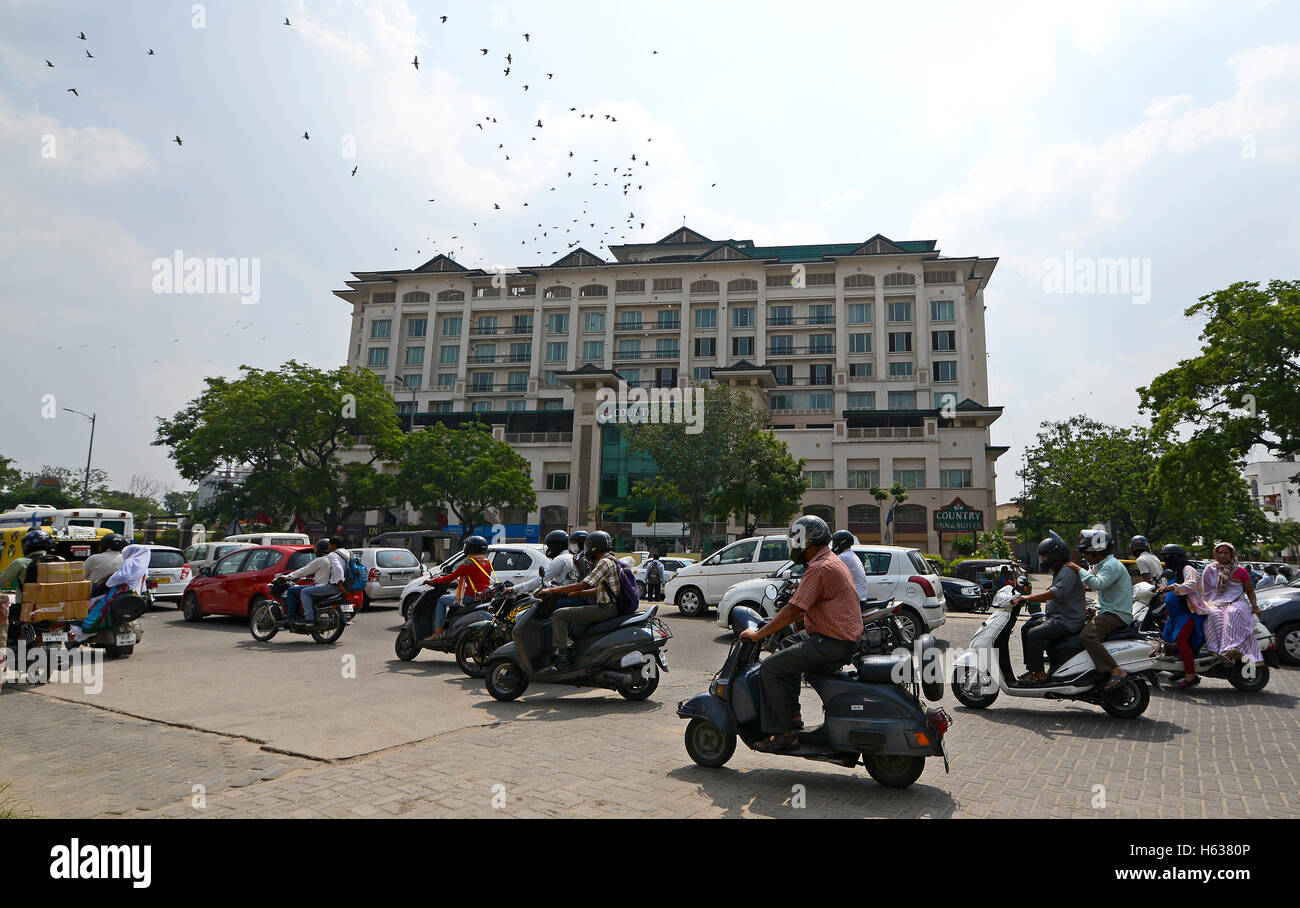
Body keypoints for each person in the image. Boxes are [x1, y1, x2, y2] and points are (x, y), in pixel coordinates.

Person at [739, 515, 863, 753]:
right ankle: (793, 716)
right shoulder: (830, 560)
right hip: (836, 638)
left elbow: (793, 611)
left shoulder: (819, 567)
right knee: (787, 645)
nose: (794, 546)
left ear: (807, 542)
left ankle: (784, 733)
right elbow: (800, 609)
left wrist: (759, 634)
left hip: (831, 643)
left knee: (770, 668)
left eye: (797, 541)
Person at [536, 530, 622, 669]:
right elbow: (603, 589)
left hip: (606, 608)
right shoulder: (612, 560)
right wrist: (579, 594)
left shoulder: (604, 562)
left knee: (560, 614)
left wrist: (551, 590)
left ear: (594, 547)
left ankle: (563, 657)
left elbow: (584, 583)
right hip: (611, 606)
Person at [1013, 533, 1087, 683]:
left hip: (1067, 620)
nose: (1043, 560)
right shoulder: (1060, 570)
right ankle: (1033, 669)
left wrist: (1028, 598)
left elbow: (1056, 592)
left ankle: (1039, 674)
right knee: (1027, 627)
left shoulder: (1067, 571)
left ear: (1055, 554)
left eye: (1045, 556)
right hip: (1057, 617)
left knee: (1034, 634)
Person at [1067, 528, 1133, 689]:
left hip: (1116, 614)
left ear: (1097, 552)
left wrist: (1077, 569)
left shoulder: (1111, 565)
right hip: (1108, 610)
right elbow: (1095, 585)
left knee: (1088, 636)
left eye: (1087, 553)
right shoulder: (1102, 565)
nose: (1085, 557)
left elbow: (1097, 584)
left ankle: (1115, 670)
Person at [1198, 541, 1263, 668]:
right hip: (1214, 601)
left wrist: (1255, 606)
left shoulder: (1241, 571)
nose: (1222, 555)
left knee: (1233, 613)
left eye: (1226, 553)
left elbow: (1249, 591)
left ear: (1232, 554)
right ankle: (1216, 650)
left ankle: (1230, 650)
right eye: (1220, 553)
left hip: (1236, 601)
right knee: (1212, 614)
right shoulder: (1210, 569)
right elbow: (1205, 590)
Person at [1152, 543, 1206, 690]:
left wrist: (1171, 587)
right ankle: (1179, 669)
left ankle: (1190, 675)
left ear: (1177, 557)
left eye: (1169, 556)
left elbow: (1191, 584)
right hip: (1175, 615)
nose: (1166, 559)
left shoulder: (1188, 569)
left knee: (1181, 640)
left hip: (1188, 613)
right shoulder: (1175, 571)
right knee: (1167, 640)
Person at [420, 535, 493, 640]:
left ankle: (438, 632)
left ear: (470, 548)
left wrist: (432, 581)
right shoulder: (487, 562)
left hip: (470, 597)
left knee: (441, 600)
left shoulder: (468, 564)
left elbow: (450, 578)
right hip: (483, 596)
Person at [72, 544, 149, 643]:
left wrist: (109, 581)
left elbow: (122, 576)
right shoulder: (142, 565)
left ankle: (83, 632)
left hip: (116, 591)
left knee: (91, 607)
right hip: (131, 594)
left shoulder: (129, 561)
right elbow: (143, 585)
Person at [278, 539, 333, 625]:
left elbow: (304, 570)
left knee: (292, 591)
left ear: (320, 549)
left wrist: (288, 577)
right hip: (331, 587)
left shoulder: (321, 560)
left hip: (322, 587)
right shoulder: (334, 559)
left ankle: (292, 618)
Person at [512, 530, 577, 594]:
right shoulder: (571, 557)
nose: (549, 550)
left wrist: (514, 589)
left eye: (550, 547)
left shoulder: (560, 559)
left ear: (555, 546)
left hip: (562, 596)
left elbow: (541, 580)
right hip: (568, 593)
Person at [830, 529, 870, 605]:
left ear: (841, 543)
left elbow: (830, 569)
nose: (833, 545)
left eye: (835, 543)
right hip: (859, 595)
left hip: (854, 597)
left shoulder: (843, 557)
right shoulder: (851, 554)